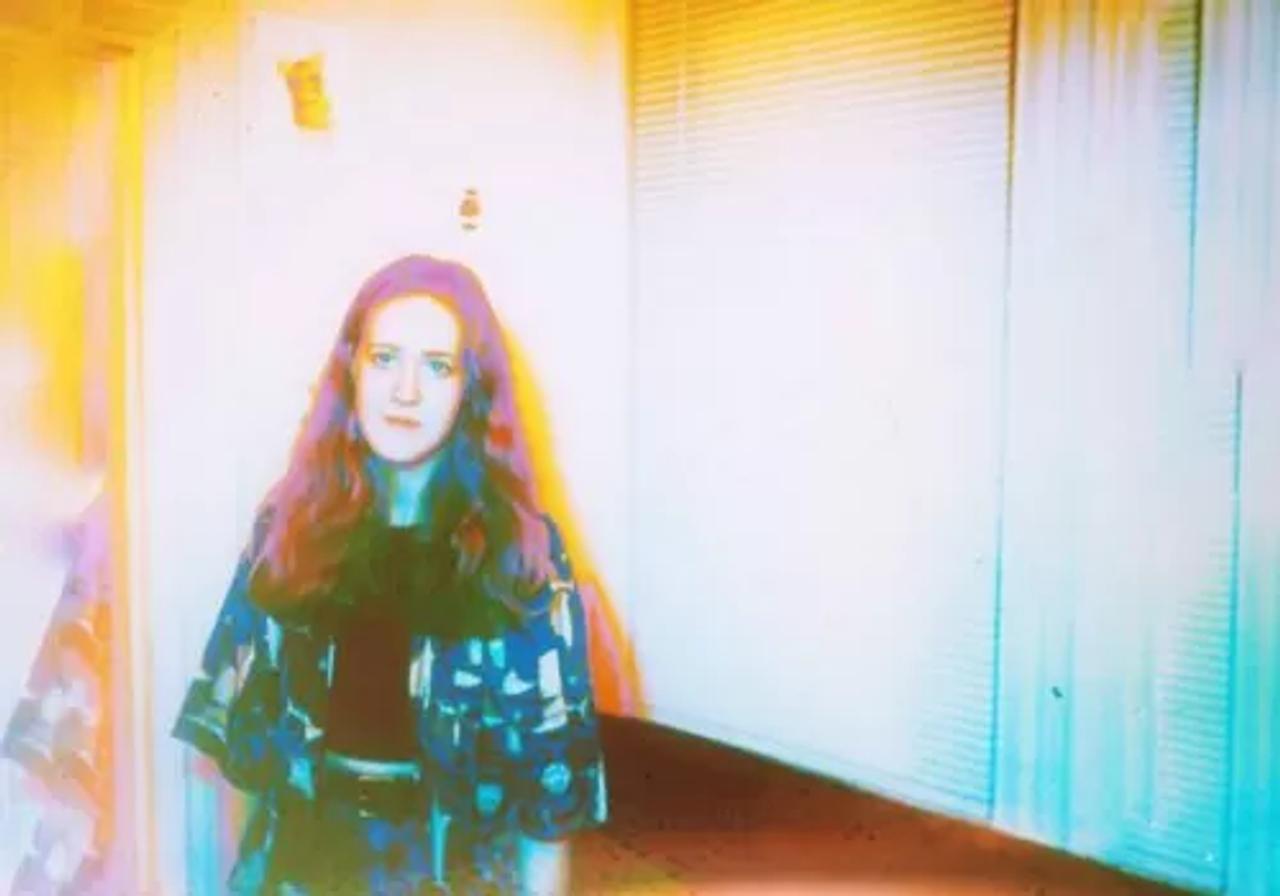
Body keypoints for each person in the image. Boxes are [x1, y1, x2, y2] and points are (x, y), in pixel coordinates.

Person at [172, 255, 608, 894]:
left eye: (437, 367)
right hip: (302, 870)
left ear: (470, 388)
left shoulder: (524, 555)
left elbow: (550, 801)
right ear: (352, 369)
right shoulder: (288, 527)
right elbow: (233, 748)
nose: (406, 391)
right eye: (384, 359)